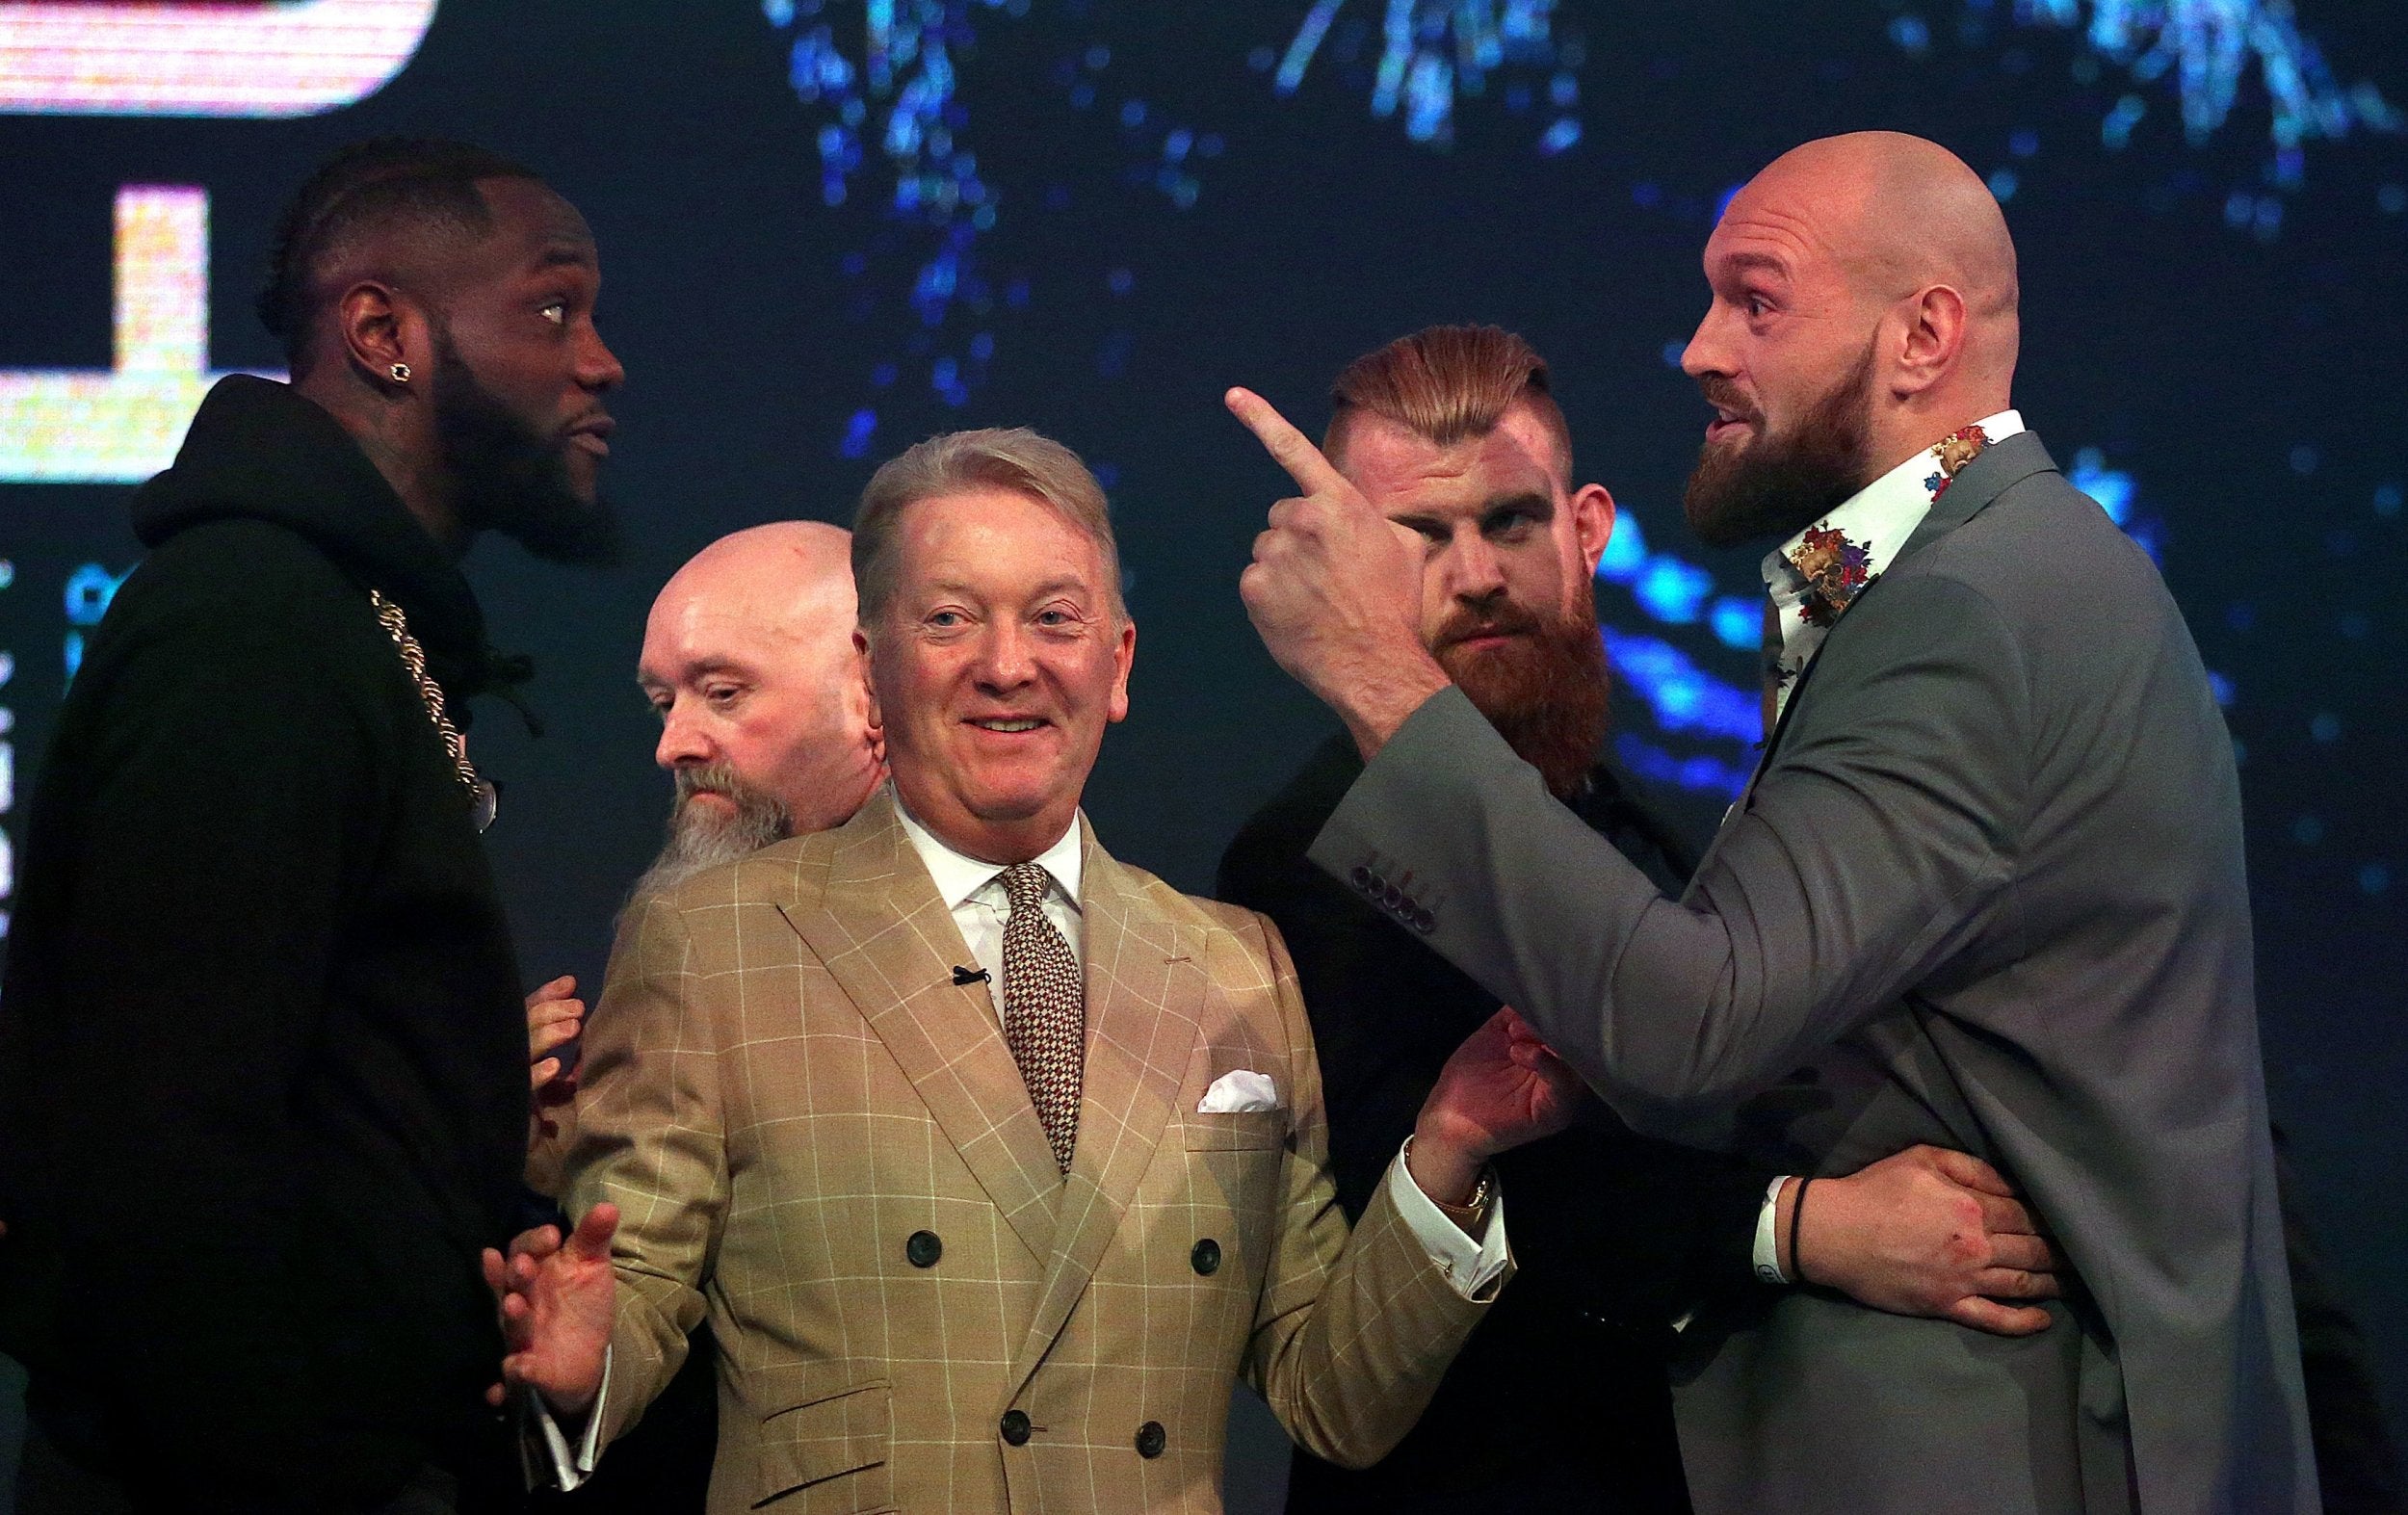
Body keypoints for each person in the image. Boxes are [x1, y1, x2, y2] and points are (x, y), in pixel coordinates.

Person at [1230, 133, 2315, 1512]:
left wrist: (1373, 668)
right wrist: (1802, 1225)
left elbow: (1695, 1024)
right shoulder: (1994, 577)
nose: (1697, 349)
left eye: (1756, 300)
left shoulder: (1967, 611)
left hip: (1997, 1447)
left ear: (1921, 336)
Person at [490, 428, 1580, 1513]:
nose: (1008, 664)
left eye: (1054, 618)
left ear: (1118, 664)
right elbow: (633, 1289)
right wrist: (584, 1365)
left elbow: (1331, 1395)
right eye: (949, 619)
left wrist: (1448, 1145)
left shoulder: (1235, 963)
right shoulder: (714, 940)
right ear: (873, 669)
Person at [1218, 324, 2072, 1514]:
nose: (1476, 574)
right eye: (1419, 535)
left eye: (1509, 520)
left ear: (1587, 528)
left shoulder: (1638, 827)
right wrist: (1808, 1228)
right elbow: (1396, 1224)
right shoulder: (1306, 854)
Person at [0, 137, 624, 1514]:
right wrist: (334, 1464)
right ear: (384, 334)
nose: (601, 362)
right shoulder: (251, 625)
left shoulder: (343, 620)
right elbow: (161, 1141)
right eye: (552, 308)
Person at [526, 522, 884, 1515]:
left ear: (872, 688)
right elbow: (638, 1275)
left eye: (723, 694)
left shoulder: (1046, 919)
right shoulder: (682, 938)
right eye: (665, 701)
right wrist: (544, 1175)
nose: (673, 743)